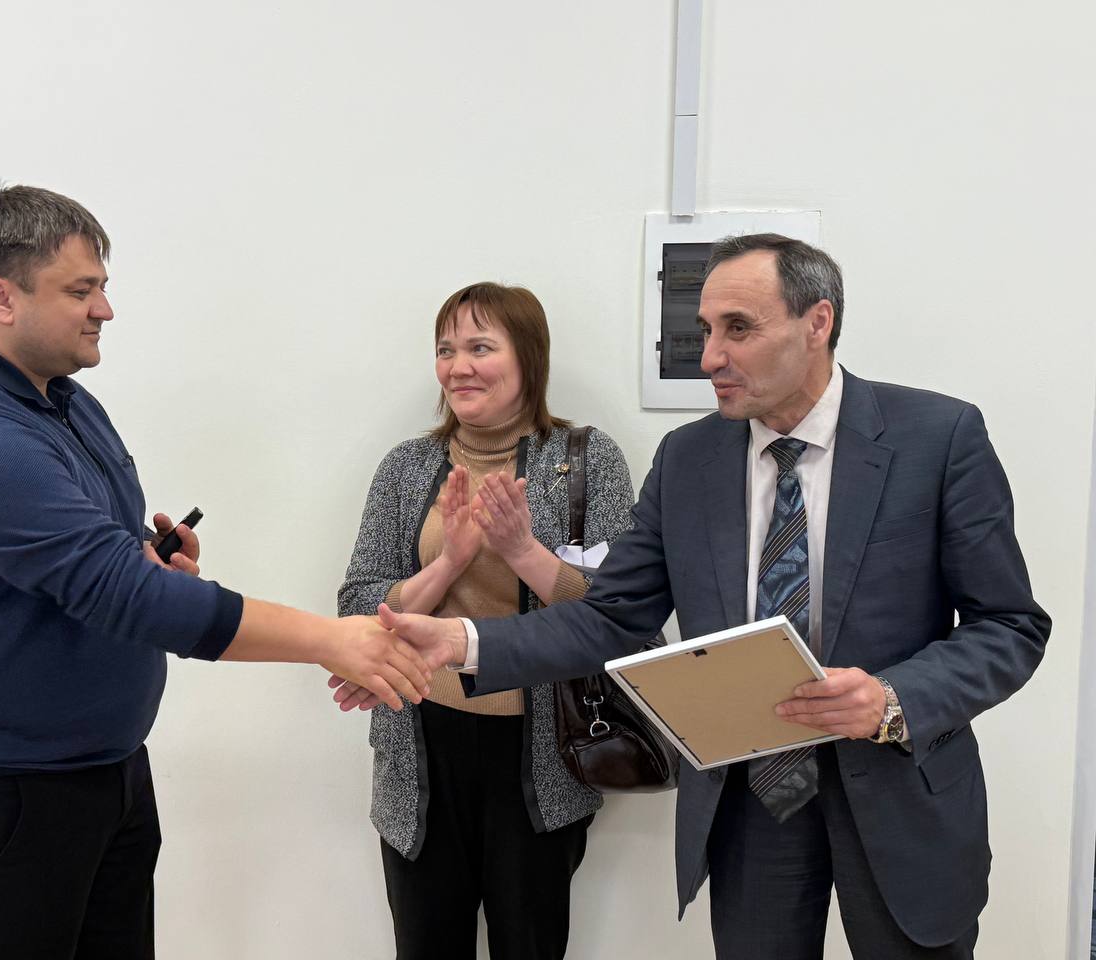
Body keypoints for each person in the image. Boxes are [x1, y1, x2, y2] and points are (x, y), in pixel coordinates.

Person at [342, 235, 1051, 958]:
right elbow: (611, 617)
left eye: (738, 328)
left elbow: (1009, 625)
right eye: (706, 330)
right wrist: (462, 642)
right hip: (753, 798)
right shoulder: (688, 458)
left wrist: (892, 699)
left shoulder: (939, 437)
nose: (710, 356)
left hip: (901, 788)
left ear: (818, 322)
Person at [0, 185, 431, 960]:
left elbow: (100, 550)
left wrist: (149, 557)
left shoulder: (62, 401)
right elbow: (122, 593)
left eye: (102, 286)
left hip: (104, 769)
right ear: (0, 297)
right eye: (81, 291)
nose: (104, 310)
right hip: (2, 793)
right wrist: (331, 640)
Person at [336, 282, 636, 959]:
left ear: (528, 357)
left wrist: (523, 552)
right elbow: (358, 606)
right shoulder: (407, 468)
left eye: (480, 347)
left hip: (543, 753)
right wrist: (450, 563)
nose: (458, 367)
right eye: (446, 350)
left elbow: (621, 613)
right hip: (420, 748)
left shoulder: (588, 461)